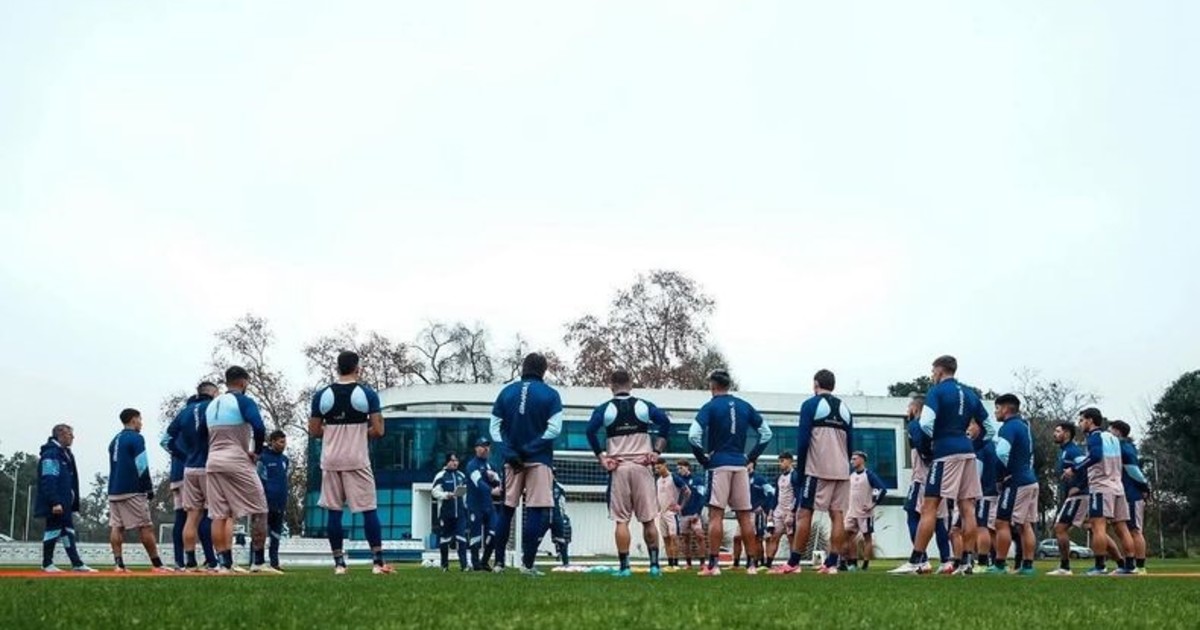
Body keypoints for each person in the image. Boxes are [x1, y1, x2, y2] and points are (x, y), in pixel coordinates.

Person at [891, 355, 995, 575]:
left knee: (929, 507)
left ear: (939, 370)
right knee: (967, 508)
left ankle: (916, 560)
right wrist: (973, 446)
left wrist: (931, 447)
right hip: (968, 454)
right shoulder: (970, 394)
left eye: (933, 371)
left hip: (945, 454)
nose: (932, 375)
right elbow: (989, 429)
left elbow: (926, 424)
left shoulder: (936, 392)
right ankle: (967, 562)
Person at [308, 352, 389, 575]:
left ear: (337, 368)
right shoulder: (367, 394)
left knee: (334, 512)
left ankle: (339, 564)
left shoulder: (322, 396)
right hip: (357, 459)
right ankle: (377, 562)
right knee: (369, 510)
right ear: (357, 368)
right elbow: (379, 430)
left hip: (331, 460)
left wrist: (333, 432)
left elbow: (314, 430)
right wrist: (360, 433)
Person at [585, 368, 671, 577]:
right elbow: (665, 422)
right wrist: (656, 452)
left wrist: (601, 457)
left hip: (619, 469)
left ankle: (625, 568)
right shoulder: (644, 406)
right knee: (648, 520)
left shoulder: (605, 409)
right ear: (631, 384)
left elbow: (590, 431)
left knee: (621, 520)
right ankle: (654, 566)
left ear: (611, 386)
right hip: (642, 468)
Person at [688, 369, 773, 577]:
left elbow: (693, 435)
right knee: (745, 516)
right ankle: (751, 565)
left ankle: (714, 565)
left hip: (719, 465)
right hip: (740, 465)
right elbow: (766, 433)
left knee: (716, 514)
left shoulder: (710, 407)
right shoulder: (744, 406)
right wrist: (751, 457)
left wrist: (703, 459)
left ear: (712, 386)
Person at [773, 369, 853, 575]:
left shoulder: (810, 405)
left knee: (804, 512)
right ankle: (831, 564)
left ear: (815, 384)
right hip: (842, 470)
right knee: (837, 515)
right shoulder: (845, 409)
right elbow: (851, 444)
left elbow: (802, 440)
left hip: (817, 469)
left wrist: (801, 470)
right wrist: (846, 466)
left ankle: (793, 563)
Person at [491, 353, 563, 577]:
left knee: (507, 509)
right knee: (535, 509)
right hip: (539, 459)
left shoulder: (506, 392)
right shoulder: (551, 394)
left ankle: (499, 563)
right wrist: (530, 449)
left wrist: (511, 453)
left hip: (512, 461)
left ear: (523, 368)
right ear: (544, 371)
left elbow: (494, 428)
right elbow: (554, 429)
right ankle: (528, 565)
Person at [205, 367, 271, 573]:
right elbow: (259, 427)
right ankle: (258, 561)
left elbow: (200, 434)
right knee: (260, 509)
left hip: (213, 461)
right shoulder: (243, 401)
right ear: (243, 382)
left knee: (218, 514)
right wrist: (257, 452)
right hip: (237, 460)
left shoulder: (212, 405)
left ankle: (224, 564)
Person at [1066, 408, 1136, 576]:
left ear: (1090, 421)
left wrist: (1074, 469)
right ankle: (1129, 565)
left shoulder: (1094, 437)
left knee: (1098, 526)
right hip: (1117, 486)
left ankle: (1099, 566)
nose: (1080, 424)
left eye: (1082, 420)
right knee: (1122, 527)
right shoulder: (1113, 438)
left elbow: (1096, 456)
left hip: (1101, 487)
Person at [107, 408, 170, 573]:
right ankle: (157, 564)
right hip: (132, 489)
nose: (141, 423)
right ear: (133, 420)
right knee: (145, 526)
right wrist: (147, 486)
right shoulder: (136, 438)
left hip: (114, 489)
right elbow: (141, 463)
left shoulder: (115, 440)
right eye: (140, 419)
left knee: (117, 526)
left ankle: (118, 564)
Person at [171, 381, 219, 571]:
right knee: (213, 513)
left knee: (191, 515)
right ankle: (215, 559)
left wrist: (184, 454)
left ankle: (188, 561)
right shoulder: (213, 407)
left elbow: (167, 439)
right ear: (213, 393)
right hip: (208, 466)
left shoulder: (184, 412)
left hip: (188, 469)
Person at [35, 424, 95, 572]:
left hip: (66, 502)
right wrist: (55, 502)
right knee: (53, 529)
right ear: (60, 435)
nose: (73, 437)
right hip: (57, 502)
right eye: (70, 434)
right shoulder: (51, 454)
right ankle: (47, 563)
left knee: (68, 531)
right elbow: (48, 479)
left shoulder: (66, 454)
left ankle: (77, 563)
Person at [902, 393, 952, 571]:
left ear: (916, 408)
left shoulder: (916, 425)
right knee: (938, 521)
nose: (907, 410)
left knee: (912, 515)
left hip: (921, 479)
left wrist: (926, 456)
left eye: (909, 407)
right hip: (939, 478)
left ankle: (921, 560)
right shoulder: (938, 428)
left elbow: (921, 445)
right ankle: (946, 561)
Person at [990, 394, 1038, 576]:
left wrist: (999, 477)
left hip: (1016, 481)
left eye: (997, 408)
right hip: (1030, 480)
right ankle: (1028, 566)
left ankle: (1000, 564)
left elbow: (1002, 453)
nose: (995, 412)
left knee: (1001, 522)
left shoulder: (1008, 427)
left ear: (1005, 409)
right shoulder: (1025, 427)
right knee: (1025, 524)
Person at [1047, 421, 1088, 576]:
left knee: (1060, 528)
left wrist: (1079, 486)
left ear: (1067, 434)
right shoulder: (1063, 451)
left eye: (1058, 431)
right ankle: (1119, 562)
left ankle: (1065, 567)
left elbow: (1086, 467)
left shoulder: (1073, 451)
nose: (1054, 434)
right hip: (1071, 496)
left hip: (1078, 495)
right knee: (1094, 527)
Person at [1109, 420, 1150, 575]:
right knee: (1124, 530)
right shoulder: (1118, 448)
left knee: (1135, 530)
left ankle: (1140, 566)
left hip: (1132, 494)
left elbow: (1134, 471)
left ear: (1117, 432)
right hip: (1122, 493)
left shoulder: (1126, 448)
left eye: (1111, 430)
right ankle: (1129, 564)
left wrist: (1144, 488)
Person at [967, 415, 1001, 571]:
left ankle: (982, 562)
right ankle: (998, 562)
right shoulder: (992, 446)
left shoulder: (981, 448)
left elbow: (977, 472)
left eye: (970, 425)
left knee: (982, 527)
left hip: (984, 493)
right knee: (992, 529)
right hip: (993, 492)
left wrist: (972, 493)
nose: (968, 429)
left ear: (979, 427)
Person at [844, 451, 887, 571]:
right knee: (848, 536)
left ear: (862, 460)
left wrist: (872, 505)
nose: (852, 461)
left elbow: (882, 489)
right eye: (851, 459)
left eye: (855, 459)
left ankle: (865, 564)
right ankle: (852, 562)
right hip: (851, 512)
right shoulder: (851, 476)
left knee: (867, 537)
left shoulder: (869, 475)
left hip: (864, 514)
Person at [464, 437, 500, 571]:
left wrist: (494, 478)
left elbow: (499, 482)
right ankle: (475, 563)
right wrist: (491, 490)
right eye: (482, 446)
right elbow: (478, 483)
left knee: (494, 532)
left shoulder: (491, 465)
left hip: (488, 506)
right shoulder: (472, 465)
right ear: (476, 448)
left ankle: (485, 560)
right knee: (476, 536)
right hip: (475, 505)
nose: (485, 449)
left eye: (487, 446)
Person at [257, 430, 290, 571]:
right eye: (281, 442)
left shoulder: (285, 460)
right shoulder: (263, 458)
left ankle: (274, 562)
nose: (283, 445)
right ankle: (257, 561)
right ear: (273, 441)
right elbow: (258, 478)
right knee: (260, 531)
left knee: (276, 534)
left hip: (280, 501)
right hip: (265, 501)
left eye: (285, 442)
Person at [432, 453, 469, 571]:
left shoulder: (461, 475)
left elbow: (465, 493)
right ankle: (444, 565)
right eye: (452, 460)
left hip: (460, 513)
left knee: (462, 538)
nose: (455, 463)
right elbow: (434, 492)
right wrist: (446, 495)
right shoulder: (441, 475)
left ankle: (464, 565)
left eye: (456, 460)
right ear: (447, 462)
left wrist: (466, 505)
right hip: (446, 513)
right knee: (445, 539)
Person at [654, 458, 690, 571]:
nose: (657, 470)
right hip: (661, 513)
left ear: (665, 465)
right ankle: (670, 563)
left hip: (671, 513)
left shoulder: (674, 478)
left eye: (659, 467)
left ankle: (676, 563)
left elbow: (687, 491)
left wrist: (681, 506)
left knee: (674, 537)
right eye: (656, 468)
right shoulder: (658, 480)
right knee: (665, 538)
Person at [735, 461, 772, 569]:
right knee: (737, 537)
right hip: (743, 512)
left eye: (748, 463)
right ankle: (736, 563)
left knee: (756, 538)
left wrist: (763, 506)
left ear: (752, 465)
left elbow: (771, 492)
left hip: (755, 512)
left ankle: (756, 562)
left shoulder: (759, 479)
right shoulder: (740, 478)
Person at [764, 452, 797, 567]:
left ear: (790, 461)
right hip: (779, 511)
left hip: (789, 511)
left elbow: (797, 495)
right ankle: (768, 563)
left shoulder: (795, 476)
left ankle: (793, 564)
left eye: (782, 461)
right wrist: (771, 512)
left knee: (791, 538)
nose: (780, 464)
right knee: (774, 537)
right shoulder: (779, 477)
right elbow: (776, 496)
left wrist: (792, 512)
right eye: (779, 461)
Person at [675, 460, 708, 570]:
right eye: (678, 469)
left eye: (681, 468)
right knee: (685, 538)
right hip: (683, 514)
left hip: (694, 513)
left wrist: (698, 513)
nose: (679, 470)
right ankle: (688, 563)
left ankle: (702, 563)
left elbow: (701, 496)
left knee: (700, 536)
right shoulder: (678, 481)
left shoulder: (697, 480)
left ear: (687, 467)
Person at [550, 479, 573, 568]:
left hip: (557, 515)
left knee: (563, 537)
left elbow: (563, 502)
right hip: (543, 514)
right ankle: (528, 562)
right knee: (535, 537)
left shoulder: (560, 487)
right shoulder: (541, 485)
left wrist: (562, 514)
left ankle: (565, 562)